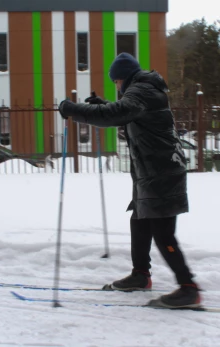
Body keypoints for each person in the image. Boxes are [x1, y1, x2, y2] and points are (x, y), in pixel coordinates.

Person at [58, 52, 200, 308]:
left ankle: (188, 287)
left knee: (163, 234)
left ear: (122, 78)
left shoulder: (141, 91)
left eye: (116, 83)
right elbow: (130, 120)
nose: (117, 88)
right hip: (152, 172)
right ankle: (140, 275)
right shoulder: (143, 92)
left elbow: (117, 113)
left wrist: (74, 110)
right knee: (139, 220)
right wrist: (101, 105)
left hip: (162, 173)